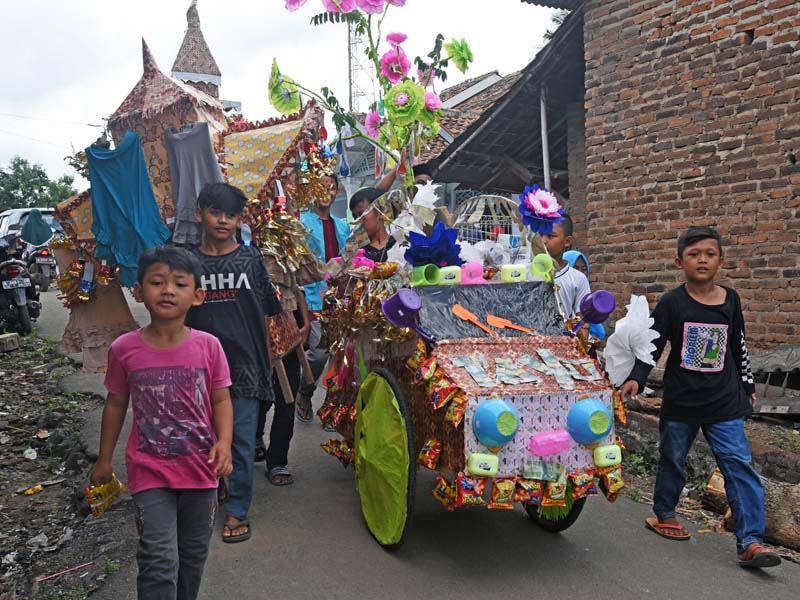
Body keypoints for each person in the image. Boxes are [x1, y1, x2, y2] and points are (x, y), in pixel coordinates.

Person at [619, 226, 780, 569]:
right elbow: (654, 344)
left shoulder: (730, 299)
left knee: (738, 466)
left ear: (721, 260)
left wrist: (748, 387)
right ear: (680, 261)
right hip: (682, 401)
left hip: (724, 402)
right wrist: (636, 378)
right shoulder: (672, 302)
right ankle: (665, 511)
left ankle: (750, 542)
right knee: (673, 458)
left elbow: (738, 347)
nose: (702, 260)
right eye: (694, 255)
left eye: (709, 254)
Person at [90, 246, 234, 599]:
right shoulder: (125, 349)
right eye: (157, 282)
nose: (167, 290)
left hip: (201, 469)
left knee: (192, 556)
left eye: (179, 284)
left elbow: (221, 399)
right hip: (149, 469)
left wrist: (225, 443)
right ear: (139, 291)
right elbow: (116, 403)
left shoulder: (209, 347)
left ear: (197, 296)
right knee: (158, 558)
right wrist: (105, 458)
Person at [185, 183, 283, 543]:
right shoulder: (187, 263)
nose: (223, 220)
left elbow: (272, 309)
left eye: (231, 215)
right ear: (200, 214)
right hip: (195, 370)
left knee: (240, 443)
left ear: (240, 219)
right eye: (215, 212)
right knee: (200, 439)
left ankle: (237, 509)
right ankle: (212, 489)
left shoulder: (250, 260)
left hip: (243, 367)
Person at [297, 174, 349, 423]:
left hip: (339, 297)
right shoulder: (301, 222)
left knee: (340, 357)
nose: (326, 192)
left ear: (337, 192)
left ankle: (330, 407)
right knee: (318, 354)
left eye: (331, 188)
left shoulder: (342, 226)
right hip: (312, 296)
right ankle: (305, 393)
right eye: (321, 187)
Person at [255, 287, 311, 486]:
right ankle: (255, 436)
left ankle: (277, 461)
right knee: (258, 398)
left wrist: (305, 323)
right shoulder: (243, 259)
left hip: (288, 333)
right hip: (254, 336)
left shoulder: (288, 257)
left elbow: (297, 289)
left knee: (286, 401)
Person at [542, 214, 591, 319]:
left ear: (567, 241)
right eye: (540, 235)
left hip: (563, 334)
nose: (543, 241)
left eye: (550, 236)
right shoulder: (525, 272)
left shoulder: (578, 279)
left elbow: (582, 321)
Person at [563, 249, 605, 339]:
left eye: (584, 269)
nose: (580, 273)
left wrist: (590, 339)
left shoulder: (587, 296)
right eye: (576, 268)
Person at [349, 187, 395, 262]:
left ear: (380, 212)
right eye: (355, 217)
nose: (358, 220)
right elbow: (333, 271)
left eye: (362, 214)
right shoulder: (353, 250)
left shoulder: (399, 244)